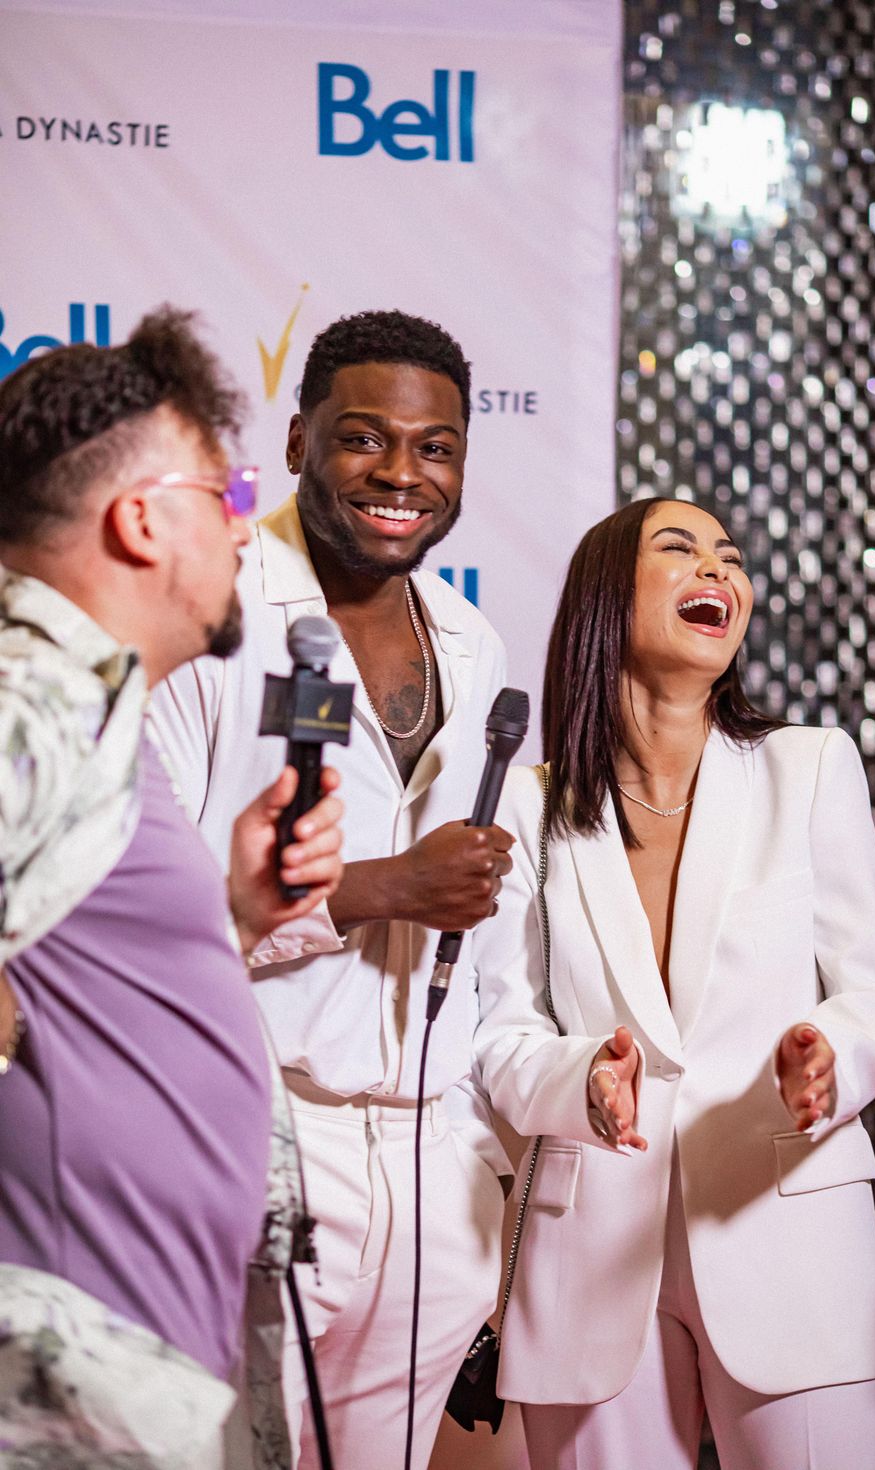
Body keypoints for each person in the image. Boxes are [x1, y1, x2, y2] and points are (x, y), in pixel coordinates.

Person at [473, 496, 875, 1470]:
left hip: (791, 1241)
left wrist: (828, 1057)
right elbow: (500, 1035)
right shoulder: (527, 803)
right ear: (604, 598)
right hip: (586, 1264)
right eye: (678, 551)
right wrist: (581, 1076)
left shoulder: (808, 767)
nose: (717, 570)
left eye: (728, 555)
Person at [150, 309, 514, 1470]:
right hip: (259, 1135)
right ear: (299, 437)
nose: (402, 474)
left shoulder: (471, 642)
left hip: (430, 1158)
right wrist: (380, 886)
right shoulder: (209, 610)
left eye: (437, 447)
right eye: (365, 439)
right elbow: (141, 919)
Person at [0, 309, 343, 1468]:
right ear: (140, 520)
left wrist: (231, 917)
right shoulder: (36, 696)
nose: (247, 531)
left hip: (139, 1382)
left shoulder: (99, 716)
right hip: (64, 1390)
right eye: (224, 496)